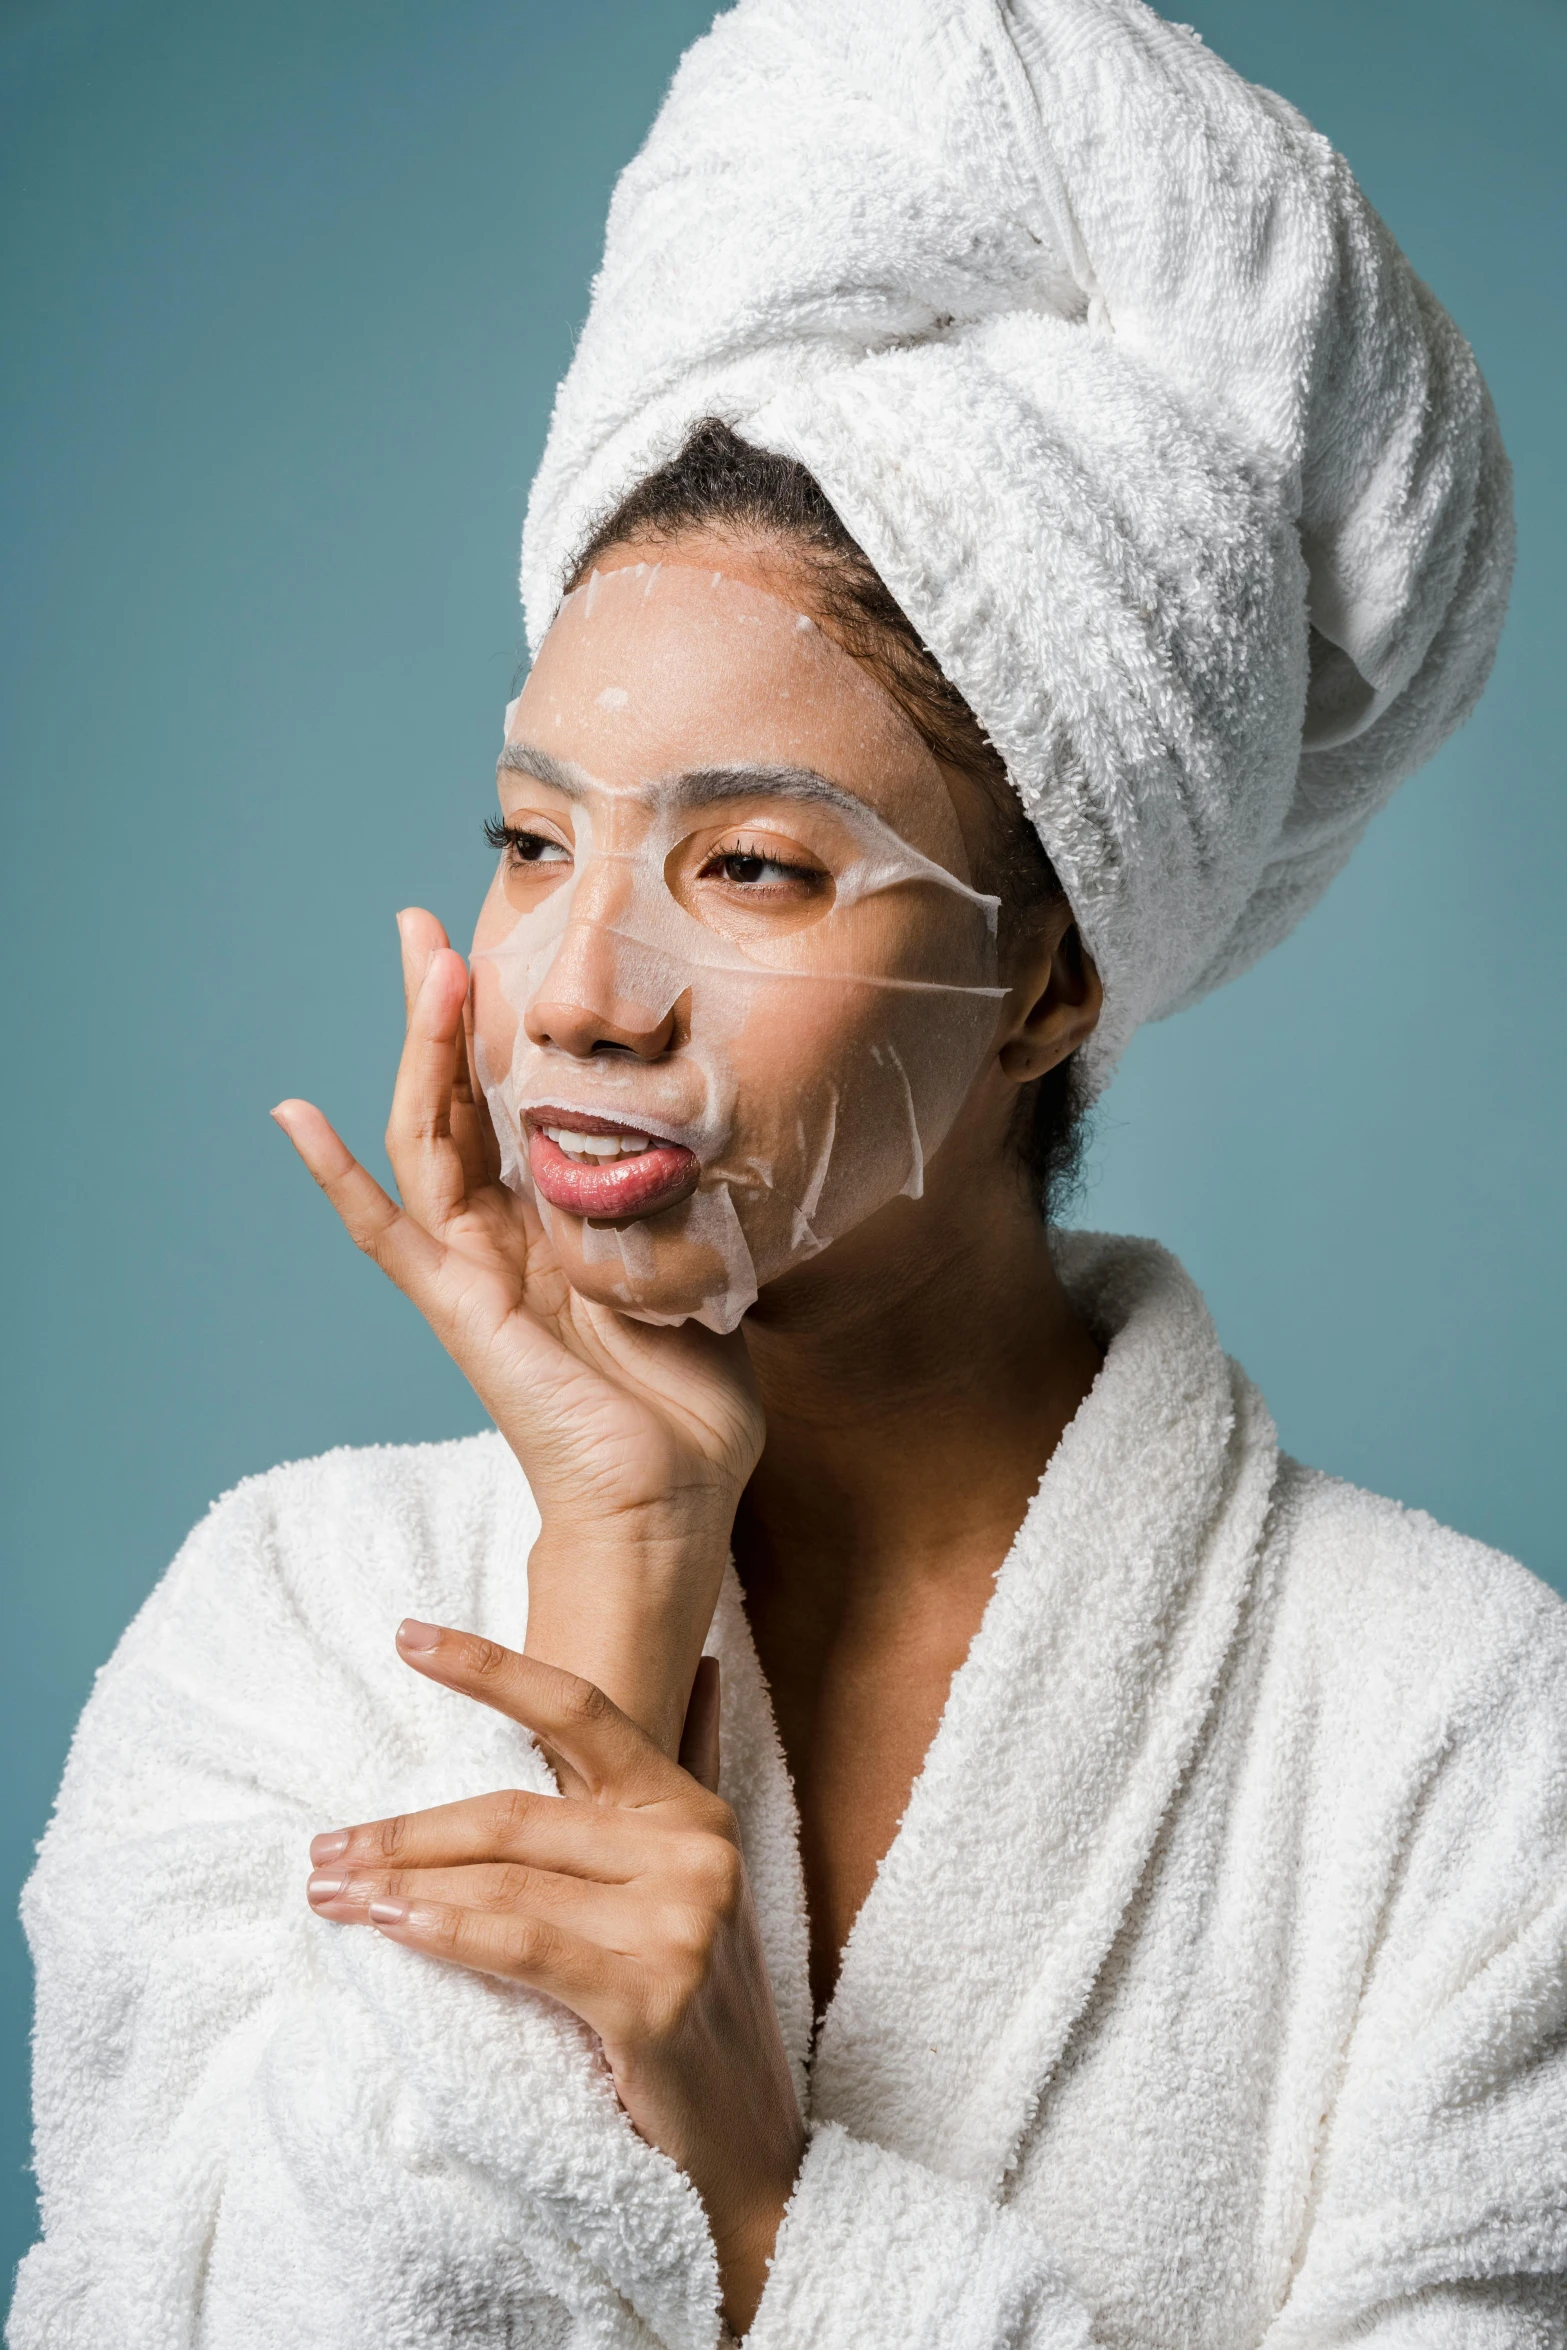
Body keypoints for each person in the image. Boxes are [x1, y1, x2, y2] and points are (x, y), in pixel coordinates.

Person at [12, 2, 1565, 2346]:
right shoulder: (293, 1621)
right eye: (533, 841)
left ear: (1047, 974)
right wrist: (612, 1573)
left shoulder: (1461, 1735)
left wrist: (771, 2209)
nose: (577, 992)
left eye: (748, 866)